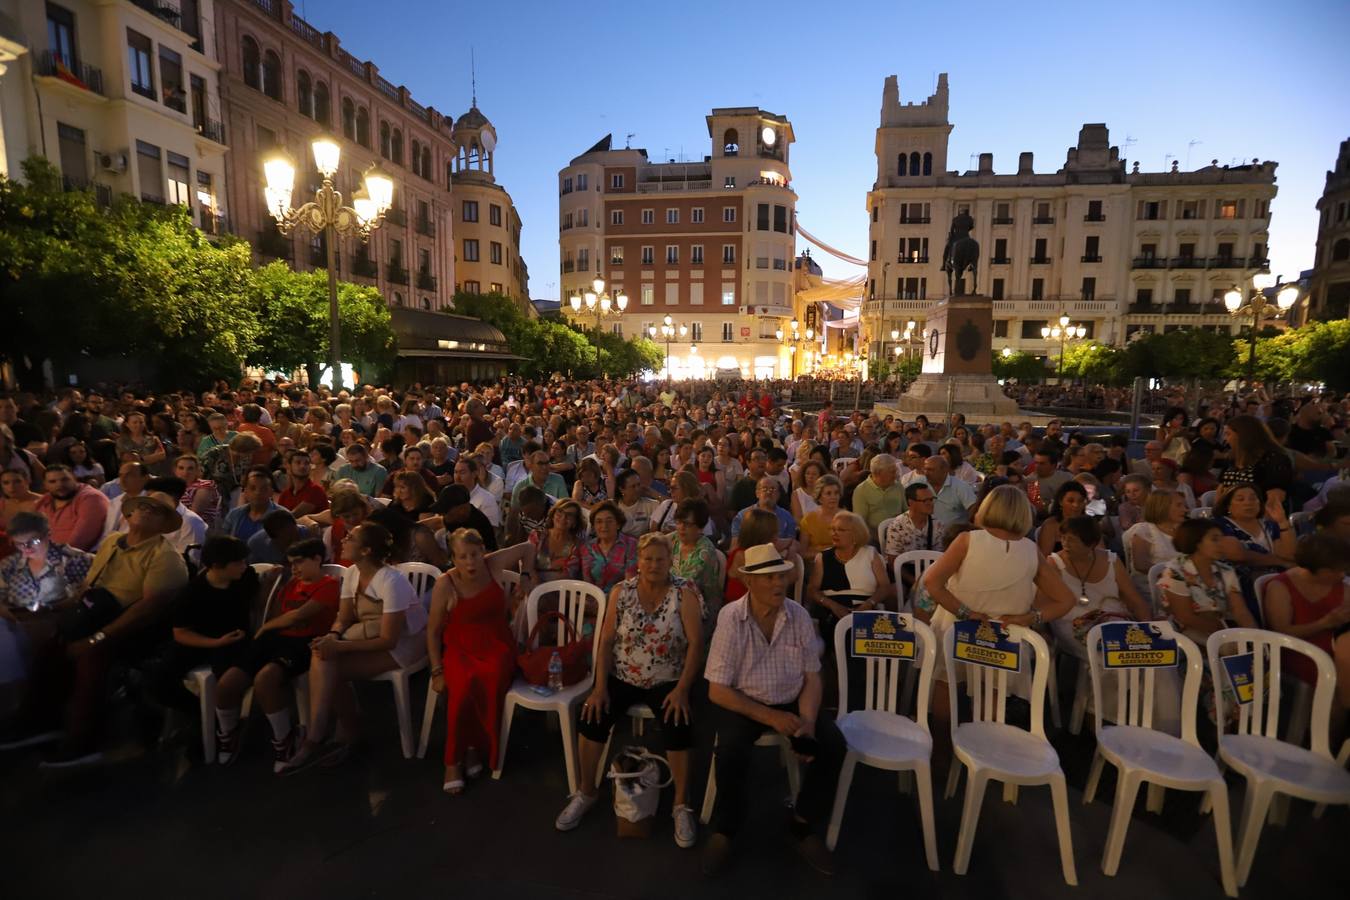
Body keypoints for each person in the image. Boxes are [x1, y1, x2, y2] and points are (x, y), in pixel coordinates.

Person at [2, 492, 188, 765]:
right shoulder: (113, 542)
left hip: (133, 630)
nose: (146, 512)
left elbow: (145, 612)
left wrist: (97, 638)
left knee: (92, 657)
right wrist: (58, 607)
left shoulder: (165, 558)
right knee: (50, 647)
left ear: (164, 524)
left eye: (156, 511)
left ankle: (84, 740)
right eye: (143, 506)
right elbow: (89, 589)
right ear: (129, 515)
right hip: (96, 615)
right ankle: (39, 722)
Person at [702, 544, 845, 877]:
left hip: (792, 696)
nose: (778, 584)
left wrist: (807, 721)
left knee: (833, 745)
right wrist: (771, 718)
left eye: (781, 576)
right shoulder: (731, 618)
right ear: (750, 583)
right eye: (768, 578)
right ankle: (727, 829)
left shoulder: (797, 615)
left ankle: (802, 823)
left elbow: (812, 676)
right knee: (730, 751)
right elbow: (718, 690)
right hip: (745, 700)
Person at [557, 533, 704, 846]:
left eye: (660, 559)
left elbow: (695, 644)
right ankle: (586, 791)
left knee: (678, 723)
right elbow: (607, 640)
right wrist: (599, 686)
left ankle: (680, 804)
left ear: (670, 561)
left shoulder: (685, 592)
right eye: (648, 559)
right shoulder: (621, 592)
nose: (654, 565)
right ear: (638, 560)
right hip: (624, 674)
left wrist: (681, 689)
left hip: (667, 678)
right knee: (592, 717)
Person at [920, 486, 1079, 756]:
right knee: (992, 693)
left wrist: (964, 612)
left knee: (946, 687)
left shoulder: (968, 540)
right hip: (1003, 635)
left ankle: (942, 755)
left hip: (957, 627)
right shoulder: (1030, 550)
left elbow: (932, 583)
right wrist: (1030, 618)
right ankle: (981, 755)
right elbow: (1066, 600)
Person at [280, 522, 428, 773]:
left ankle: (326, 736)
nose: (344, 540)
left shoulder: (392, 581)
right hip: (370, 633)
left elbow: (389, 640)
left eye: (351, 538)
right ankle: (336, 732)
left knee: (331, 664)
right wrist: (333, 636)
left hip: (405, 643)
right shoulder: (352, 573)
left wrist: (340, 647)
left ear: (367, 550)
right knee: (322, 655)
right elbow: (345, 616)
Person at [427, 530, 536, 794]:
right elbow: (432, 632)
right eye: (462, 557)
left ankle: (475, 747)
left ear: (483, 551)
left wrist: (526, 576)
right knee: (462, 687)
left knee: (493, 676)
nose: (470, 562)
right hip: (460, 646)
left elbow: (528, 548)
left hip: (497, 642)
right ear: (453, 558)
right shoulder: (446, 583)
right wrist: (436, 670)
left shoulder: (492, 564)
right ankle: (453, 760)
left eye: (474, 554)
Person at [147, 536, 258, 754]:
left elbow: (260, 601)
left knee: (226, 675)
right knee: (159, 680)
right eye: (238, 562)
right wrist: (215, 642)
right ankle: (200, 714)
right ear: (217, 566)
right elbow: (181, 633)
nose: (244, 566)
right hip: (201, 639)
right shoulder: (193, 592)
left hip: (235, 639)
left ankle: (224, 726)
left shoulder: (246, 578)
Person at [1048, 516, 1151, 654]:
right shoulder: (1054, 563)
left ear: (1091, 544)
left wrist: (1147, 625)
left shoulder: (1111, 561)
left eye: (1071, 540)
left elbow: (1134, 598)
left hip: (1113, 621)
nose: (1065, 543)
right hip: (1073, 625)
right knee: (1108, 655)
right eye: (1063, 538)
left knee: (1149, 654)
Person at [1263, 532, 1350, 690]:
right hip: (1302, 655)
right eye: (1334, 571)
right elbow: (1281, 633)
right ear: (1312, 568)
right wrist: (1324, 623)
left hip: (1339, 652)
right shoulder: (1280, 587)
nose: (1341, 575)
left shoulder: (1343, 587)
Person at [1157, 519, 1258, 645]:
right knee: (1232, 649)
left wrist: (1256, 637)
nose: (1221, 544)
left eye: (1222, 539)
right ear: (1196, 542)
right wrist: (1225, 635)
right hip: (1186, 633)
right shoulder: (1175, 572)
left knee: (1259, 647)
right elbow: (1185, 617)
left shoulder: (1225, 570)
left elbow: (1240, 611)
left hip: (1222, 627)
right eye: (1215, 539)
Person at [1214, 483, 1295, 621]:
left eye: (1253, 498)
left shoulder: (1270, 525)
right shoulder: (1221, 525)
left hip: (1275, 582)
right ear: (1228, 506)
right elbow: (1237, 555)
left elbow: (1290, 555)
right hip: (1240, 585)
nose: (1248, 503)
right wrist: (1280, 561)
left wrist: (1282, 521)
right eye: (1240, 499)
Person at [806, 511, 890, 627]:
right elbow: (812, 590)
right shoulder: (823, 557)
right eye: (832, 529)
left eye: (840, 530)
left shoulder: (870, 554)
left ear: (855, 533)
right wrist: (833, 606)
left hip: (867, 608)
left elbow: (885, 587)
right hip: (832, 611)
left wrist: (869, 604)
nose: (834, 533)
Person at [1220, 415, 1293, 505]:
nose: (1225, 439)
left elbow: (1274, 499)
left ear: (1243, 435)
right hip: (1230, 512)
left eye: (1228, 434)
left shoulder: (1274, 459)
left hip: (1259, 513)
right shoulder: (1232, 458)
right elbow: (1222, 490)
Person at [35, 465, 110, 552]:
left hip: (81, 559)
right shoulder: (44, 501)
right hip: (48, 558)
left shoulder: (92, 498)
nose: (60, 485)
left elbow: (80, 542)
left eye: (65, 480)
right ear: (45, 485)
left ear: (74, 479)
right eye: (52, 481)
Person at [670, 498, 722, 618]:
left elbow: (685, 584)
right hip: (674, 603)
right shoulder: (675, 539)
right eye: (678, 522)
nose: (681, 527)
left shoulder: (704, 552)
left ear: (700, 527)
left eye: (687, 524)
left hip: (700, 609)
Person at [1124, 489, 1186, 587]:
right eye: (1179, 505)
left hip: (1184, 584)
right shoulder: (1144, 530)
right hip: (1153, 586)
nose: (1185, 509)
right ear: (1162, 507)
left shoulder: (1184, 530)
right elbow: (1141, 565)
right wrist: (1177, 577)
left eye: (1184, 505)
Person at [579, 500, 638, 595]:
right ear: (593, 526)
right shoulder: (587, 548)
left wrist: (608, 602)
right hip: (594, 600)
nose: (604, 526)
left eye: (609, 521)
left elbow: (630, 582)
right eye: (599, 522)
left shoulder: (631, 544)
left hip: (623, 599)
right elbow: (588, 582)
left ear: (618, 524)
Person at [882, 481, 945, 564]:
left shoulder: (938, 525)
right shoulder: (896, 526)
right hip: (904, 571)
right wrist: (912, 578)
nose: (930, 503)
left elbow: (940, 557)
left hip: (930, 570)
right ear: (911, 502)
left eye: (931, 499)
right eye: (925, 500)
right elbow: (892, 562)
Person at [912, 454, 978, 528]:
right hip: (925, 534)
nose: (926, 473)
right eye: (925, 469)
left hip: (952, 536)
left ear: (944, 470)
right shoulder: (918, 484)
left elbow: (974, 510)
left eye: (930, 470)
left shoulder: (960, 486)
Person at [218, 468, 281, 544]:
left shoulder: (282, 517)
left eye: (263, 489)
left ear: (271, 492)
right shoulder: (234, 515)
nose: (257, 492)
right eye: (253, 488)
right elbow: (222, 543)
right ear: (245, 492)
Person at [849, 454, 905, 537]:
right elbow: (860, 523)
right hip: (874, 537)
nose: (896, 475)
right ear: (878, 473)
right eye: (892, 472)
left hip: (900, 533)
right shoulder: (861, 491)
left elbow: (906, 512)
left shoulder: (898, 486)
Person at [433, 485, 498, 556]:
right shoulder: (453, 519)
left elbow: (487, 554)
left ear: (462, 509)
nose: (444, 517)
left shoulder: (479, 524)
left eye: (447, 512)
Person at [531, 498, 584, 582]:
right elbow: (527, 564)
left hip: (560, 589)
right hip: (532, 584)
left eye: (569, 515)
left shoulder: (577, 545)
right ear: (553, 515)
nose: (563, 517)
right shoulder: (537, 535)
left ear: (575, 522)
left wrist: (542, 588)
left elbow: (569, 575)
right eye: (560, 512)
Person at [731, 477, 797, 543]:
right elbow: (735, 545)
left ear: (778, 495)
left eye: (772, 489)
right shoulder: (742, 516)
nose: (768, 492)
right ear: (757, 493)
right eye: (764, 489)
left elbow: (791, 543)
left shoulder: (787, 517)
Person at [1037, 481, 1089, 556]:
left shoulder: (1090, 524)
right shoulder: (1050, 525)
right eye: (1071, 501)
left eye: (1080, 501)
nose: (1076, 505)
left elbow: (1101, 552)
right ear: (1060, 501)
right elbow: (1044, 558)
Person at [797, 475, 843, 559]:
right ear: (819, 497)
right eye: (828, 493)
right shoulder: (808, 520)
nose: (833, 497)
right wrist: (825, 555)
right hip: (816, 562)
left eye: (836, 493)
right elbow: (803, 552)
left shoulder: (847, 518)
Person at [276, 449, 329, 517]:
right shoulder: (285, 495)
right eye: (298, 462)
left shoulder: (316, 490)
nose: (302, 466)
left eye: (306, 463)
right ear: (289, 466)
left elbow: (292, 516)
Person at [615, 468, 659, 538]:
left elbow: (672, 505)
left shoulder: (651, 504)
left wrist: (654, 494)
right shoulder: (614, 506)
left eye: (638, 485)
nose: (637, 489)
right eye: (633, 486)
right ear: (622, 489)